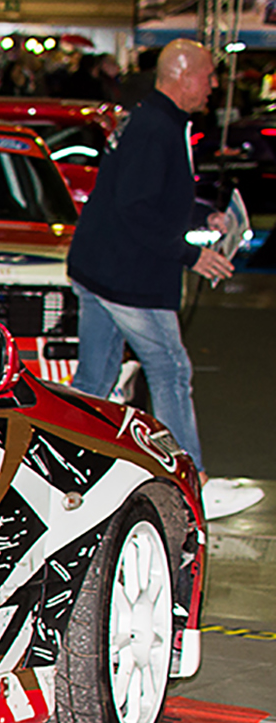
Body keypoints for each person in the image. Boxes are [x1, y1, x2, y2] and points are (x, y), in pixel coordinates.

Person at [67, 39, 244, 515]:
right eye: (207, 75)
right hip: (127, 277)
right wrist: (189, 256)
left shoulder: (157, 121)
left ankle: (70, 471)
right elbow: (137, 208)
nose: (214, 85)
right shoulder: (156, 127)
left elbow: (153, 195)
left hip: (99, 269)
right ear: (181, 75)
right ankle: (193, 481)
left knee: (95, 379)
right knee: (170, 368)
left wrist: (202, 215)